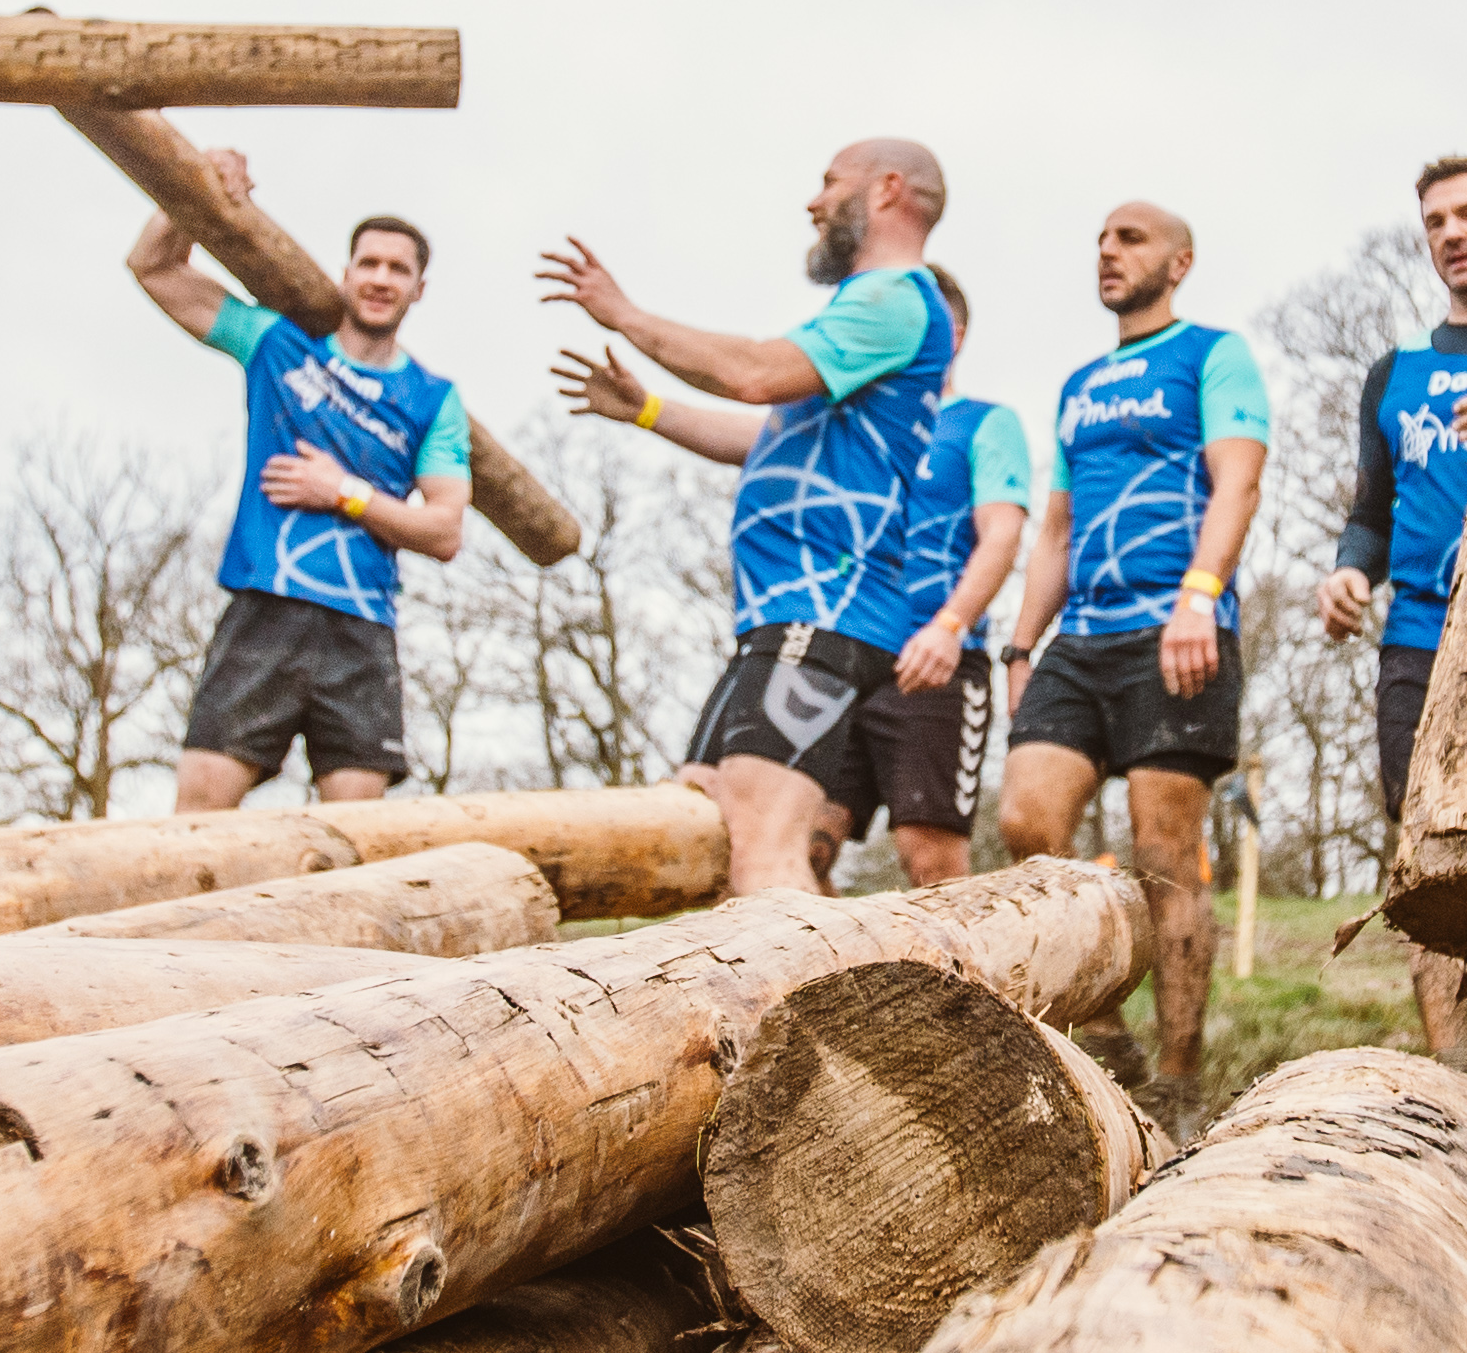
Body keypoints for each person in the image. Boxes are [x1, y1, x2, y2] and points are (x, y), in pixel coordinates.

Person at [546, 140, 959, 896]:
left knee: (765, 856)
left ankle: (844, 1016)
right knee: (707, 818)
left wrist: (625, 315)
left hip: (824, 607)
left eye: (830, 182)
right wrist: (642, 408)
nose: (813, 201)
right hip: (781, 615)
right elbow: (765, 440)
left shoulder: (895, 295)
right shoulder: (855, 319)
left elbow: (752, 372)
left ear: (888, 190)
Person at [998, 200, 1272, 1110]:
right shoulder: (1078, 383)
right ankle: (1110, 1034)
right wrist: (1018, 644)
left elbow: (1238, 477)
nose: (1108, 253)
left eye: (1131, 239)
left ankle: (1181, 1080)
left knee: (1164, 851)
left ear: (1180, 261)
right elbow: (1056, 528)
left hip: (1175, 624)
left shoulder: (1211, 354)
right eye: (1101, 242)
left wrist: (1201, 594)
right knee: (1028, 821)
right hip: (1080, 634)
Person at [127, 153, 473, 810]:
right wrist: (193, 190)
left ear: (418, 288)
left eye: (397, 269)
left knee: (357, 833)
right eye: (367, 263)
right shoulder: (278, 344)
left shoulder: (432, 398)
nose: (379, 278)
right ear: (346, 272)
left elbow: (444, 529)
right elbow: (155, 270)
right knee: (199, 804)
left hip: (362, 626)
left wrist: (340, 490)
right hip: (265, 604)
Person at [1319, 155, 1467, 1063]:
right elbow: (1369, 513)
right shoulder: (1394, 373)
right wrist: (1350, 572)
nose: (1453, 233)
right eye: (1435, 222)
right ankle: (1456, 1086)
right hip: (1419, 638)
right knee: (1428, 860)